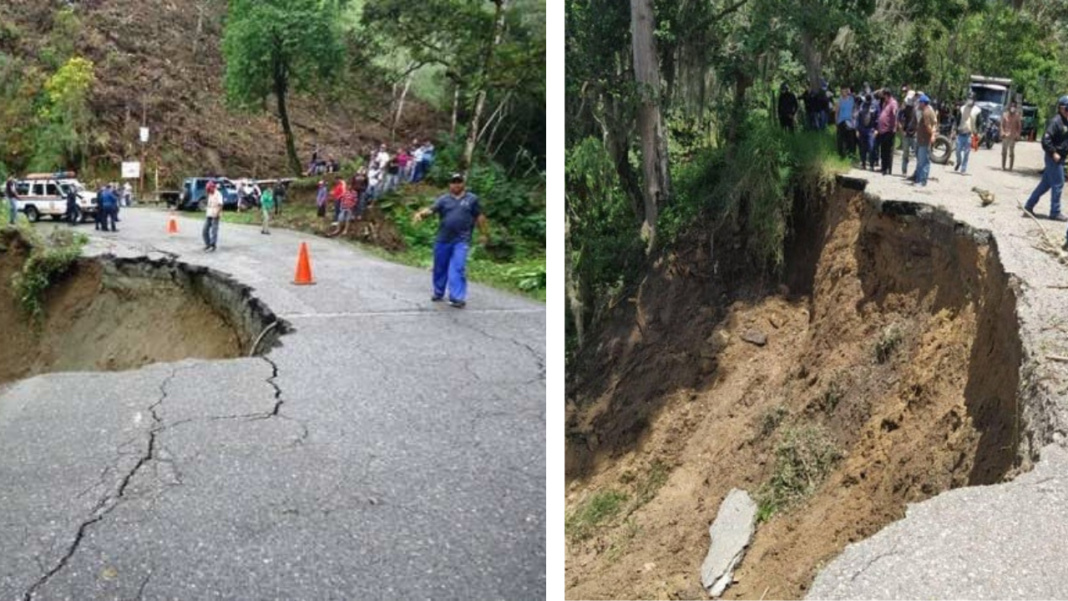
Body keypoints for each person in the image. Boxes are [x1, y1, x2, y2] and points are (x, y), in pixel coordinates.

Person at [412, 173, 490, 309]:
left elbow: (480, 216)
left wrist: (484, 233)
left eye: (459, 182)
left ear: (463, 183)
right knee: (440, 267)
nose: (456, 184)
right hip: (443, 239)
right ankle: (439, 292)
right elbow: (431, 210)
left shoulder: (472, 199)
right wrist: (420, 214)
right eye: (453, 182)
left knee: (458, 267)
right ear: (449, 184)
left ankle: (457, 297)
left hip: (462, 240)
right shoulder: (444, 199)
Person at [1025, 95, 1068, 225]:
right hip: (1053, 158)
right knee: (1059, 183)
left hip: (1061, 157)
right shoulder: (1056, 122)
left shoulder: (1066, 122)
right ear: (1060, 108)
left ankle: (1028, 206)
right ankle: (1055, 212)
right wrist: (1053, 153)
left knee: (1045, 185)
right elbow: (1046, 140)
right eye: (1067, 108)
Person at [912, 94, 936, 187]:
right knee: (921, 160)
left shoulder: (926, 113)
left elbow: (928, 126)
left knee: (923, 161)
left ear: (923, 103)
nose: (918, 104)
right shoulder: (930, 111)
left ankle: (922, 181)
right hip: (922, 139)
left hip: (923, 140)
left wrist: (932, 134)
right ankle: (918, 179)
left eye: (920, 103)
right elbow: (935, 122)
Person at [955, 93, 981, 174]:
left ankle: (963, 169)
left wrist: (978, 132)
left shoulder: (977, 110)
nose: (970, 100)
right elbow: (957, 120)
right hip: (960, 132)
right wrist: (954, 130)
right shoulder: (962, 108)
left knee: (966, 153)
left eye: (971, 99)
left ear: (974, 100)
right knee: (958, 151)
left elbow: (979, 122)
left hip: (970, 134)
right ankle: (959, 161)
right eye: (969, 98)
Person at [877, 89, 898, 176]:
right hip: (882, 130)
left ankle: (887, 169)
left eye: (883, 95)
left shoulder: (893, 103)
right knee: (883, 149)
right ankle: (883, 167)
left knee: (888, 150)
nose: (882, 97)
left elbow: (895, 113)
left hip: (889, 130)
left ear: (887, 95)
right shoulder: (885, 103)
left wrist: (895, 125)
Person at [857, 92, 880, 170]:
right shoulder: (862, 105)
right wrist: (857, 129)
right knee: (862, 147)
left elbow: (877, 117)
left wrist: (877, 129)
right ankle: (863, 163)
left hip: (871, 130)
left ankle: (871, 164)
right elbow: (858, 117)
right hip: (862, 129)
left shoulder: (875, 105)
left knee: (871, 147)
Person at [899, 92, 918, 178]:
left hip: (914, 134)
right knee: (905, 153)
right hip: (906, 134)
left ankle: (917, 171)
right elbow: (898, 119)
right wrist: (901, 130)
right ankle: (904, 171)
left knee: (917, 154)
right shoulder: (904, 109)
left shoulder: (917, 110)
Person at [834, 86, 856, 159]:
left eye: (845, 91)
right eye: (842, 91)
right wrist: (836, 123)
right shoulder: (839, 101)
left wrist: (853, 119)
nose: (843, 93)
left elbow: (853, 109)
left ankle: (851, 154)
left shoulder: (851, 99)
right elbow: (836, 112)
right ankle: (841, 155)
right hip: (841, 122)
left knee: (851, 139)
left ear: (847, 92)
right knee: (841, 139)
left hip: (850, 122)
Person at [202, 181, 223, 251]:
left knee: (214, 231)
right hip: (209, 214)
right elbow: (209, 204)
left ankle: (213, 245)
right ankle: (207, 244)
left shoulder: (218, 194)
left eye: (209, 189)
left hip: (215, 215)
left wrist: (217, 213)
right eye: (207, 189)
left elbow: (220, 205)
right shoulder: (210, 194)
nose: (208, 191)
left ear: (213, 187)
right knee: (204, 231)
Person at [1002, 100, 1022, 171]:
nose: (1012, 108)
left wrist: (1018, 135)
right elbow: (1002, 125)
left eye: (1014, 106)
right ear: (1009, 107)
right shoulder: (1005, 115)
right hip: (1005, 136)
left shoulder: (1017, 116)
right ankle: (1003, 166)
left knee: (1011, 152)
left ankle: (1010, 167)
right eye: (1011, 106)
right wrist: (1002, 133)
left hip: (1012, 137)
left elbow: (1019, 126)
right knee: (1004, 151)